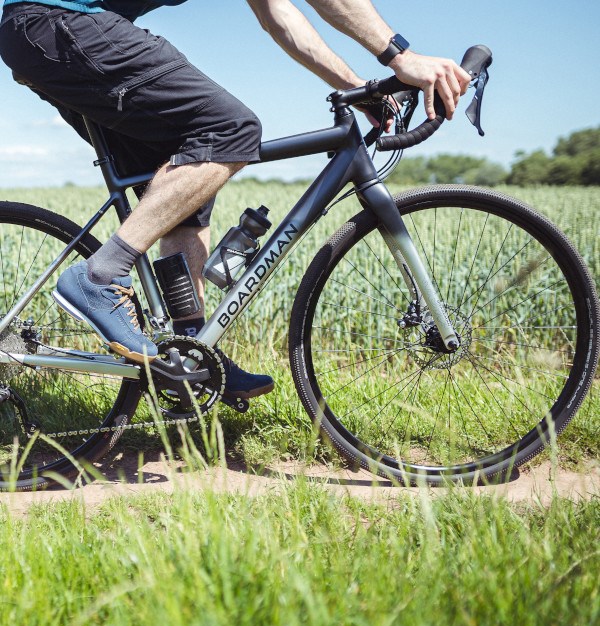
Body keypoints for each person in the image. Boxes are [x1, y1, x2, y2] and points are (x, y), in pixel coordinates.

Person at [0, 0, 471, 399]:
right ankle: (99, 276)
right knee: (230, 129)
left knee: (186, 174)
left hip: (49, 33)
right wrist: (399, 55)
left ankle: (189, 357)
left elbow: (279, 16)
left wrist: (356, 88)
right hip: (57, 20)